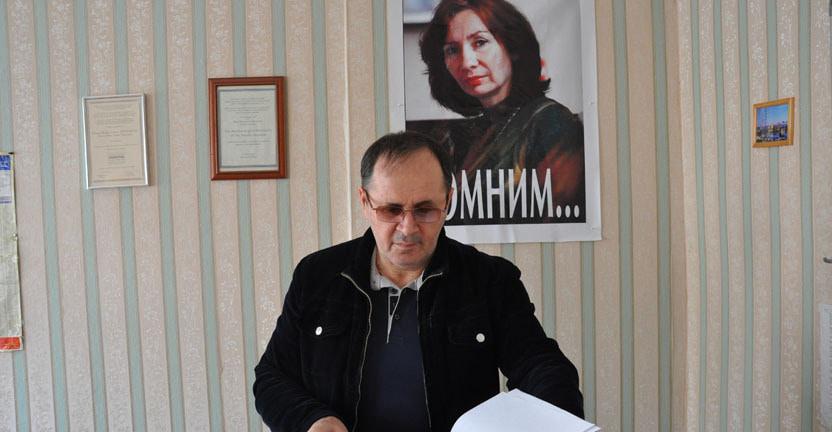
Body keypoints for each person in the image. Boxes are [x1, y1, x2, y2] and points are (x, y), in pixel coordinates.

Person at [253, 131, 582, 432]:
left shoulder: (490, 280)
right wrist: (312, 420)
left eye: (425, 210)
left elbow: (542, 367)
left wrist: (557, 422)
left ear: (448, 201)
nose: (408, 228)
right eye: (391, 210)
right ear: (365, 202)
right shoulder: (317, 275)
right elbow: (272, 377)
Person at [417, 0, 585, 223]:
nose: (467, 62)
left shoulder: (551, 122)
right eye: (452, 50)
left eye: (480, 42)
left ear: (512, 48)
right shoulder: (459, 134)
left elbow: (559, 224)